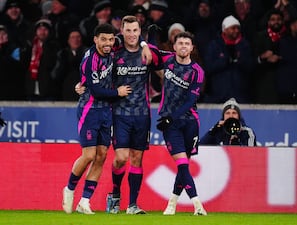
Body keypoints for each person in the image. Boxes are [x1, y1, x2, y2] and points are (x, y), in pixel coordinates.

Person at [62, 23, 132, 215]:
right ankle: (69, 188)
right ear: (95, 39)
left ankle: (84, 201)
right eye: (103, 39)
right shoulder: (89, 60)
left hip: (106, 111)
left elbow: (131, 39)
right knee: (89, 155)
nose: (108, 43)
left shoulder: (113, 47)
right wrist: (117, 92)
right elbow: (95, 90)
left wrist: (143, 45)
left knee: (101, 156)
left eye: (110, 39)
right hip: (90, 109)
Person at [107, 15, 163, 215]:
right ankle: (115, 194)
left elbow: (163, 71)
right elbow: (106, 44)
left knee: (137, 159)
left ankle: (132, 205)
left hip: (142, 114)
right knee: (121, 158)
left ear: (140, 31)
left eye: (135, 30)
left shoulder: (148, 53)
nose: (131, 34)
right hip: (119, 112)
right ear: (122, 31)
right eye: (128, 30)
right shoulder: (115, 51)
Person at [155, 31, 207, 216]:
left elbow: (190, 101)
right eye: (180, 43)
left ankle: (172, 203)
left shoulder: (197, 72)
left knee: (183, 166)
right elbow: (152, 55)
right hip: (171, 125)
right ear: (174, 47)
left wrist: (171, 116)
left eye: (187, 43)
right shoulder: (168, 60)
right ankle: (198, 204)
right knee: (183, 164)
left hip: (190, 122)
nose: (184, 46)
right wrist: (152, 39)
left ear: (192, 48)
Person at [203, 15, 255, 103]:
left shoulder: (244, 45)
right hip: (219, 95)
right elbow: (208, 67)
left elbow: (251, 67)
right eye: (233, 28)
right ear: (225, 30)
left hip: (241, 95)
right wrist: (225, 60)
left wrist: (239, 60)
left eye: (238, 28)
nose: (236, 30)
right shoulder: (215, 45)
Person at [253, 9, 286, 104]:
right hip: (264, 83)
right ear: (268, 22)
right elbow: (253, 60)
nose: (276, 22)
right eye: (273, 19)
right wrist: (262, 57)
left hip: (283, 83)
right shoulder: (260, 37)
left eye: (279, 19)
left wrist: (279, 58)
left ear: (283, 21)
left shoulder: (287, 36)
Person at [51, 28, 88, 101]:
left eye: (78, 37)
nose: (75, 40)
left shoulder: (88, 53)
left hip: (85, 94)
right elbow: (55, 75)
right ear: (68, 40)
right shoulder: (62, 54)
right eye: (73, 37)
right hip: (67, 93)